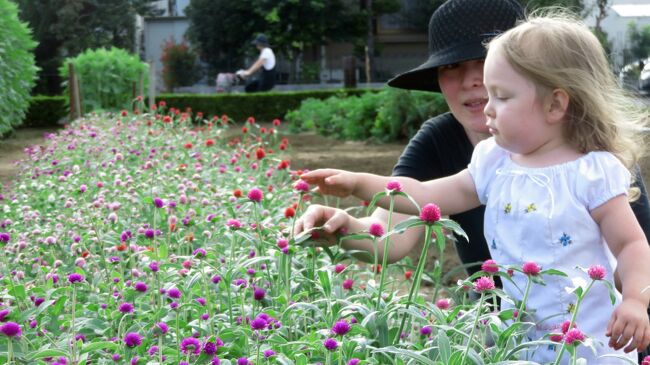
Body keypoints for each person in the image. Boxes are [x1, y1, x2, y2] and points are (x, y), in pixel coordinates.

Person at [297, 12, 650, 364]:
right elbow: (425, 196)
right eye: (453, 68)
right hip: (519, 343)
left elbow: (632, 244)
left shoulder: (593, 171)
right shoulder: (493, 162)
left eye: (501, 96)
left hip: (593, 343)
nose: (488, 107)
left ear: (555, 103)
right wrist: (359, 184)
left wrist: (634, 300)